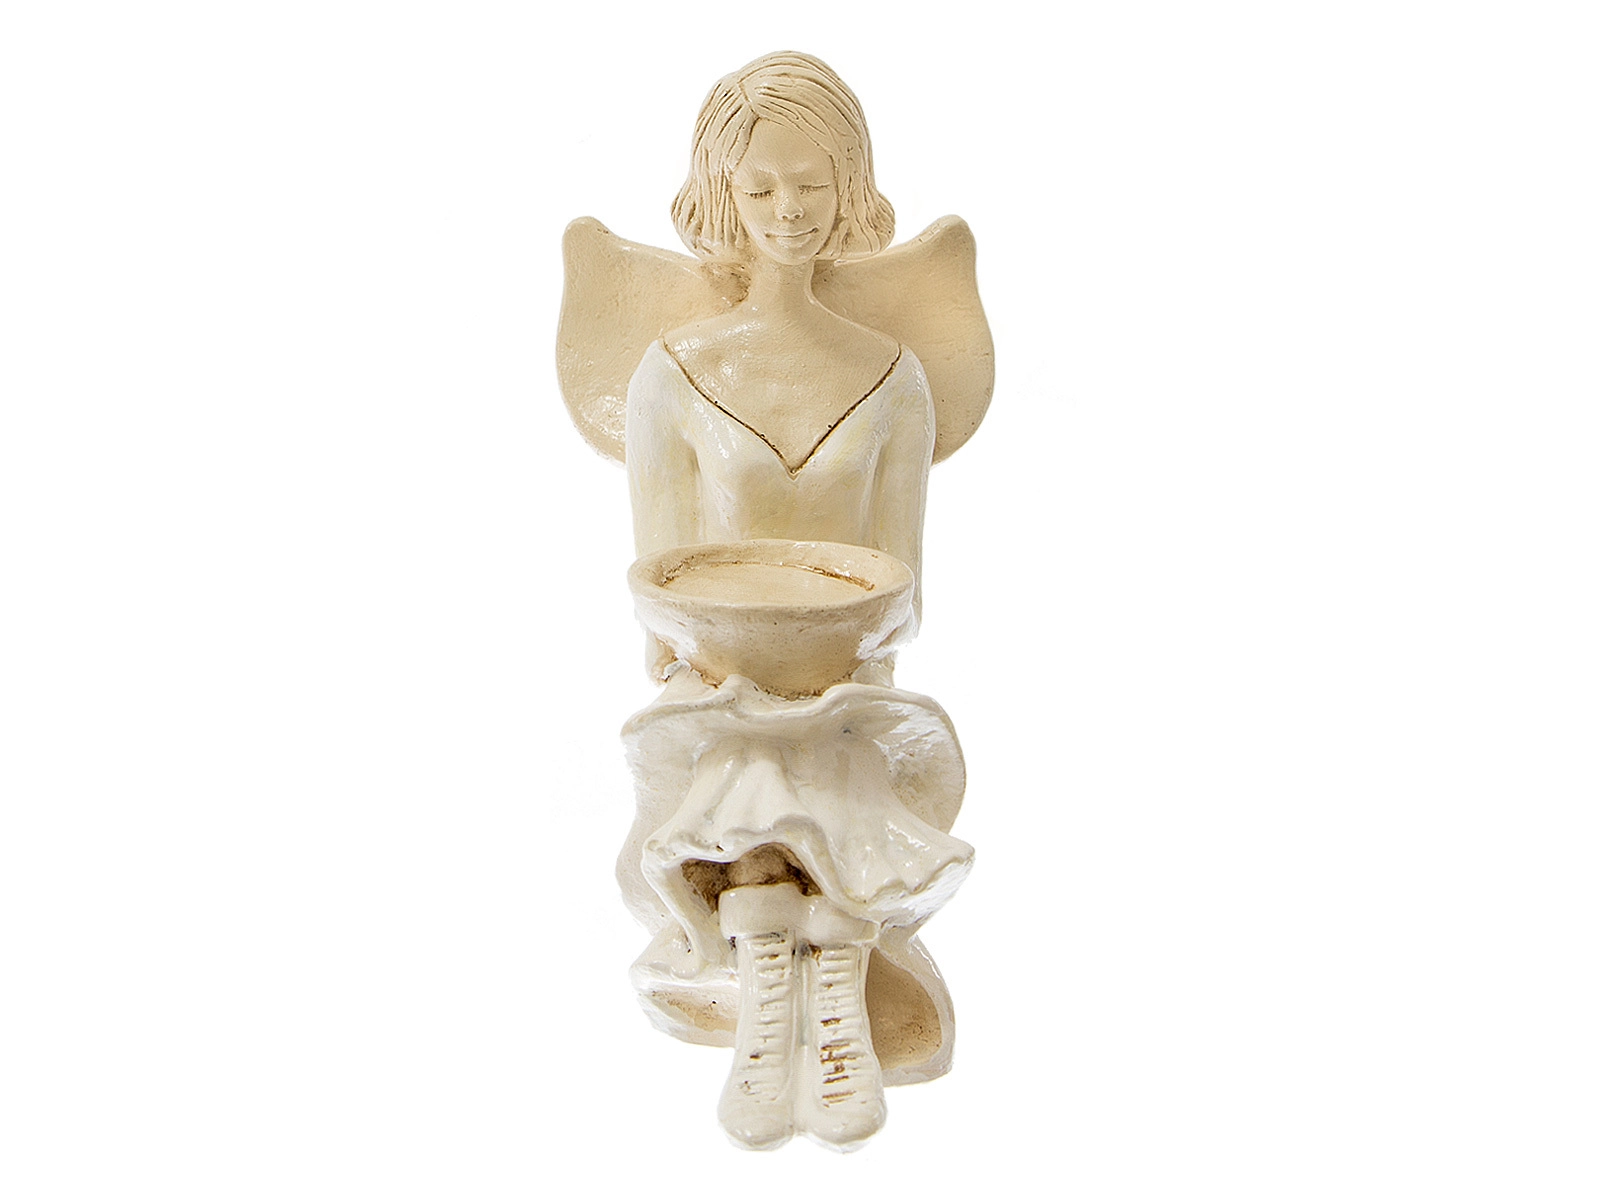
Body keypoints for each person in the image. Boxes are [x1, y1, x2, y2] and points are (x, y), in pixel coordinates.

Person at [621, 52, 973, 1151]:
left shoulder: (893, 377)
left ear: (849, 187)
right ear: (721, 194)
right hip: (716, 681)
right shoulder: (673, 373)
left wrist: (846, 676)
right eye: (762, 187)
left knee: (827, 754)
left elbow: (899, 577)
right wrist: (708, 666)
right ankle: (771, 986)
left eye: (813, 185)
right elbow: (662, 580)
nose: (788, 212)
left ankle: (831, 999)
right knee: (744, 756)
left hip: (847, 679)